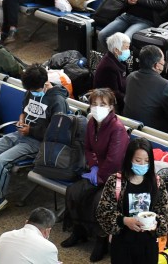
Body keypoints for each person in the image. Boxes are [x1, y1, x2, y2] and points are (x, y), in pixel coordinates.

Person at [0, 64, 68, 211]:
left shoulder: (57, 101)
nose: (31, 93)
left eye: (34, 90)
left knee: (2, 162)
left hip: (38, 143)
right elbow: (24, 109)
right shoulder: (31, 90)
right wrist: (22, 119)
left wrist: (31, 130)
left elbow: (55, 132)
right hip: (20, 134)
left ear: (44, 84)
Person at [62, 88, 130, 261]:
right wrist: (93, 167)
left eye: (102, 104)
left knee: (99, 200)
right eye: (94, 104)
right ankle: (79, 231)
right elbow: (88, 148)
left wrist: (99, 177)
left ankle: (102, 242)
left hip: (115, 175)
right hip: (96, 170)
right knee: (73, 192)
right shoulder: (92, 122)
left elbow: (115, 160)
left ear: (111, 107)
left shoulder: (118, 129)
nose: (97, 108)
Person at [96, 137, 168, 264]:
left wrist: (157, 223)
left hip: (148, 245)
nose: (142, 165)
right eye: (138, 160)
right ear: (129, 159)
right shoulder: (115, 181)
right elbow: (103, 212)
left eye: (146, 161)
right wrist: (124, 220)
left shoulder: (157, 182)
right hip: (122, 244)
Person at [123, 45, 168, 130]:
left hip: (129, 128)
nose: (164, 63)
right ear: (156, 65)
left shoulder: (130, 77)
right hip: (152, 133)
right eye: (163, 61)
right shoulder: (164, 85)